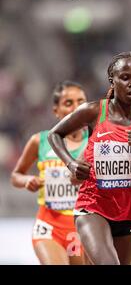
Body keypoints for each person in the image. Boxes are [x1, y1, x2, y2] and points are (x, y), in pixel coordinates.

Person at [47, 51, 131, 265]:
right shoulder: (94, 111)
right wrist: (71, 163)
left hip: (130, 211)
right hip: (93, 207)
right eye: (125, 77)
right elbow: (54, 134)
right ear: (113, 80)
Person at [10, 80, 88, 265]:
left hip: (80, 229)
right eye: (68, 103)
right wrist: (27, 180)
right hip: (48, 227)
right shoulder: (40, 141)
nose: (76, 107)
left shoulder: (95, 141)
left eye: (80, 101)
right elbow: (15, 175)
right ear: (56, 110)